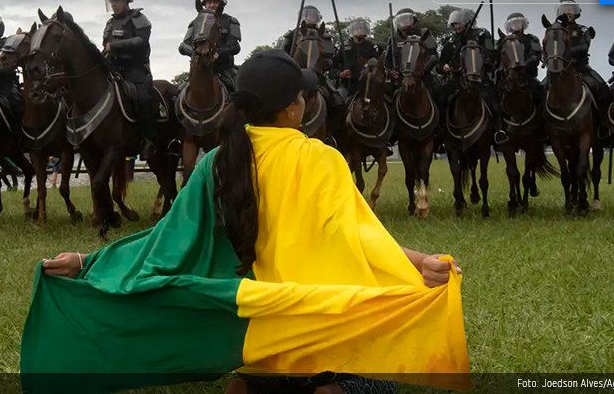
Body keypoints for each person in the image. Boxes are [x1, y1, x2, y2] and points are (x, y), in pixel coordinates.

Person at [23, 50, 470, 394]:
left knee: (253, 380)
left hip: (256, 340)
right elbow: (357, 238)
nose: (304, 102)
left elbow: (164, 241)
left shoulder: (216, 161)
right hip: (318, 328)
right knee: (374, 373)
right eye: (301, 95)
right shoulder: (319, 157)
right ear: (291, 109)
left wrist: (89, 262)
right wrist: (419, 265)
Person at [102, 0, 157, 160]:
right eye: (112, 2)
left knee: (143, 97)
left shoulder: (138, 18)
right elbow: (105, 45)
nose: (114, 5)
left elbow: (141, 41)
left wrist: (116, 46)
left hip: (135, 68)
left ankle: (148, 140)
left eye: (117, 1)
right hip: (113, 67)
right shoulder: (110, 23)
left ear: (126, 1)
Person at [439, 8, 507, 144]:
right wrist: (444, 67)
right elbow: (441, 63)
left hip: (479, 77)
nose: (456, 27)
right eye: (454, 24)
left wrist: (480, 62)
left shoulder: (482, 35)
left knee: (493, 99)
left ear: (467, 22)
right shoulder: (450, 41)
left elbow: (491, 55)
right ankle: (440, 133)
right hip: (457, 79)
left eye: (458, 24)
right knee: (441, 98)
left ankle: (499, 131)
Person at [554, 0, 612, 139]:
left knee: (603, 89)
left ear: (576, 13)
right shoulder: (555, 31)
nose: (568, 12)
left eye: (571, 10)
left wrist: (565, 51)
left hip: (581, 68)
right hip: (560, 71)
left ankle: (604, 124)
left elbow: (583, 47)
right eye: (565, 10)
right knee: (542, 90)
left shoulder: (583, 29)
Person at [178, 0, 241, 93]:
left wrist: (217, 52)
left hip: (224, 68)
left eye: (215, 2)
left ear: (221, 4)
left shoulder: (230, 21)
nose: (212, 5)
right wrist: (196, 53)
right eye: (209, 2)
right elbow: (183, 46)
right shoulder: (196, 22)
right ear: (204, 4)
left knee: (241, 93)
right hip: (200, 68)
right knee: (178, 93)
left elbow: (235, 47)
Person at [383, 8, 440, 97]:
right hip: (400, 75)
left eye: (407, 19)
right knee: (385, 92)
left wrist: (422, 69)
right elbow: (387, 61)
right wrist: (390, 71)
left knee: (438, 90)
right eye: (401, 20)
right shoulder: (393, 39)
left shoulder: (423, 33)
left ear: (414, 21)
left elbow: (433, 55)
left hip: (422, 74)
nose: (404, 23)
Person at [496, 12, 544, 106]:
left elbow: (535, 56)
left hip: (527, 75)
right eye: (513, 23)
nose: (516, 25)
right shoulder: (503, 41)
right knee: (495, 95)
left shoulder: (531, 39)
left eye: (518, 22)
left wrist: (522, 65)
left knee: (540, 93)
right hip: (509, 76)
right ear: (509, 26)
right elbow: (498, 58)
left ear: (523, 24)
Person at [333, 17, 380, 101]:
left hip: (368, 85)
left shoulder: (372, 46)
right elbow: (332, 68)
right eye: (357, 29)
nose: (359, 31)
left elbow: (379, 65)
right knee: (337, 101)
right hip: (348, 85)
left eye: (362, 29)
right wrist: (340, 74)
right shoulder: (343, 47)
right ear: (352, 30)